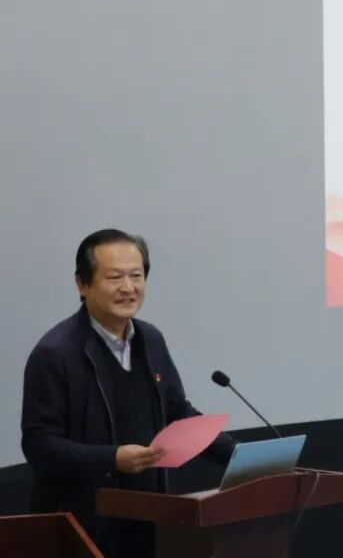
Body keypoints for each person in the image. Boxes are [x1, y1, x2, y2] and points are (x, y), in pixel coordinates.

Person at [21, 229, 235, 557]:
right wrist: (112, 459)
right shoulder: (55, 353)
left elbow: (176, 413)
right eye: (114, 277)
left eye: (136, 276)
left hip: (148, 520)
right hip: (83, 529)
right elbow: (39, 446)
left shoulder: (150, 340)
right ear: (82, 284)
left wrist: (238, 456)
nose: (128, 287)